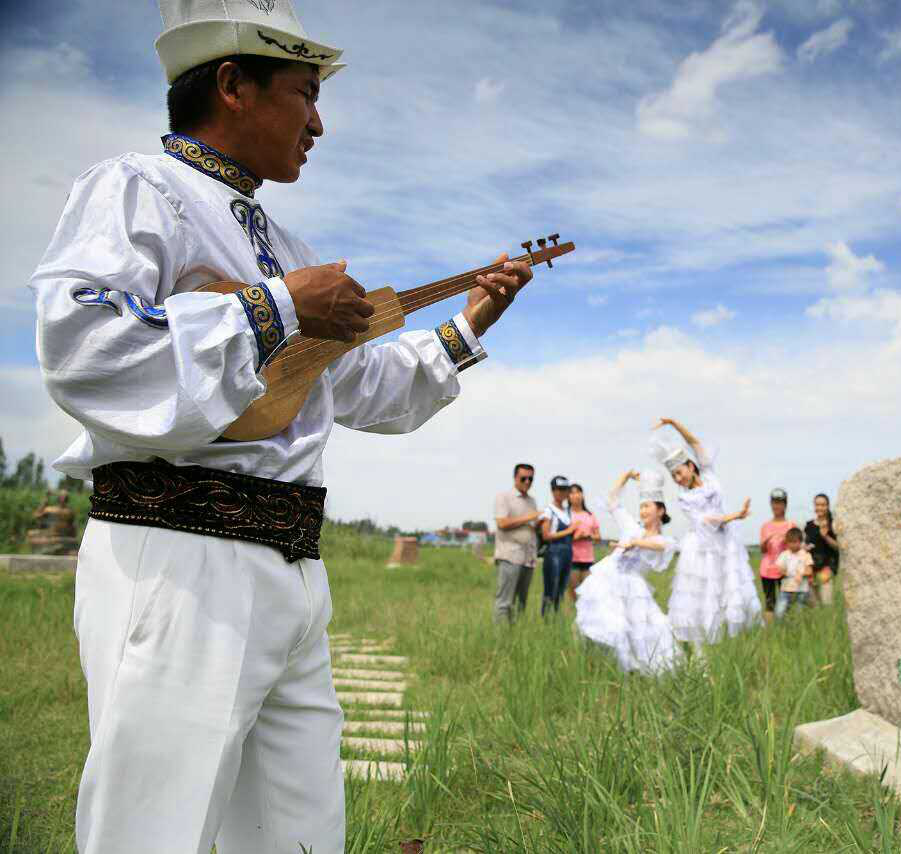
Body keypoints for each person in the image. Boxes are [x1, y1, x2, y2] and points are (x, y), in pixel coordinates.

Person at [28, 3, 533, 851]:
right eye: (305, 93)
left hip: (293, 571)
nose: (319, 122)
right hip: (182, 555)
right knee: (157, 829)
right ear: (233, 85)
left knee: (297, 832)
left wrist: (472, 322)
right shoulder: (137, 189)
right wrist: (278, 305)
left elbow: (357, 386)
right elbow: (87, 347)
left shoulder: (286, 243)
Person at [652, 417, 762, 650]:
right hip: (702, 548)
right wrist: (734, 516)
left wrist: (673, 423)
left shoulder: (710, 474)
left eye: (680, 473)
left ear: (691, 466)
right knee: (701, 599)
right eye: (674, 477)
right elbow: (706, 520)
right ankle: (700, 653)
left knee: (731, 593)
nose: (678, 479)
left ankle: (733, 648)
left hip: (725, 543)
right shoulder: (684, 498)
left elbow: (694, 442)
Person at [574, 470, 681, 674]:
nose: (642, 511)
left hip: (634, 588)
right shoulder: (631, 526)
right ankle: (608, 668)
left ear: (660, 510)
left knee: (649, 630)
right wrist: (626, 476)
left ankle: (643, 671)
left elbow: (663, 546)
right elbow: (612, 500)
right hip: (609, 582)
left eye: (647, 506)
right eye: (641, 507)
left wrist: (635, 543)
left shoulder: (662, 540)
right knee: (612, 627)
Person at [494, 464, 541, 623]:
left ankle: (516, 635)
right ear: (515, 478)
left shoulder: (532, 501)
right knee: (505, 602)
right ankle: (500, 639)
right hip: (510, 556)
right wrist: (529, 518)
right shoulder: (504, 497)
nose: (527, 481)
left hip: (528, 558)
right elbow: (502, 523)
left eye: (531, 478)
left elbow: (533, 525)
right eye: (523, 478)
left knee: (521, 602)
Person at [758, 487, 798, 624]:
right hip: (767, 570)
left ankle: (787, 630)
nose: (777, 506)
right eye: (774, 503)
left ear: (785, 505)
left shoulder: (791, 525)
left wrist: (787, 541)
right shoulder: (765, 526)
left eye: (780, 503)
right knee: (770, 603)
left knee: (787, 603)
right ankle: (770, 633)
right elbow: (762, 550)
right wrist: (766, 541)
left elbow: (796, 548)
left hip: (785, 571)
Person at [539, 475, 577, 615]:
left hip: (567, 553)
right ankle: (546, 620)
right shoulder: (549, 510)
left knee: (560, 590)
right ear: (553, 491)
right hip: (553, 553)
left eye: (564, 490)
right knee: (551, 589)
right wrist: (568, 531)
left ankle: (554, 620)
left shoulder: (568, 512)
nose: (561, 493)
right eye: (558, 489)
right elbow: (546, 535)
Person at [567, 483, 601, 604]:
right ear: (568, 496)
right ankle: (570, 621)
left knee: (588, 595)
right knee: (572, 595)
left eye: (578, 492)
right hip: (572, 560)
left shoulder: (590, 515)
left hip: (588, 560)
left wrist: (589, 536)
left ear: (582, 495)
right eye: (572, 493)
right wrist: (576, 537)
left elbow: (598, 537)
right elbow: (562, 537)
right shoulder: (566, 515)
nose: (576, 495)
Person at [805, 493, 840, 605]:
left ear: (828, 506)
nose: (820, 507)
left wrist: (825, 536)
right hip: (811, 571)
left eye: (823, 505)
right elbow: (805, 546)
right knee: (813, 605)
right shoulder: (809, 525)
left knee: (826, 603)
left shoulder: (833, 524)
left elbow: (838, 547)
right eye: (817, 505)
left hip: (827, 569)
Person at [773, 528, 814, 619]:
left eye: (795, 542)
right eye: (789, 542)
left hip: (802, 590)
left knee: (800, 614)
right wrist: (791, 574)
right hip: (786, 589)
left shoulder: (805, 554)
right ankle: (780, 629)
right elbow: (780, 569)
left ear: (800, 542)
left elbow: (809, 570)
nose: (792, 545)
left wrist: (801, 574)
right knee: (780, 612)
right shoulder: (784, 554)